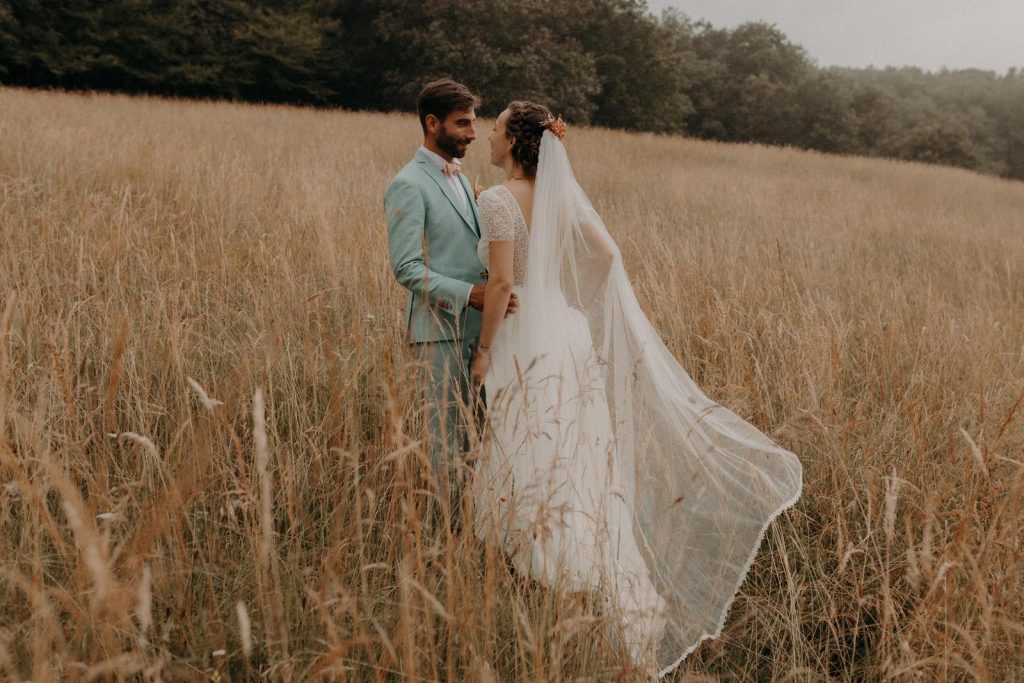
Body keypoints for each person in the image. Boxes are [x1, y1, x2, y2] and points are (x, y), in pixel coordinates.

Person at [469, 101, 804, 677]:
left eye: (495, 129)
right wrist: (570, 298)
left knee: (526, 454)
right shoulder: (561, 198)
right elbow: (606, 253)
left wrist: (481, 351)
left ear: (516, 142)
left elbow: (500, 283)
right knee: (573, 461)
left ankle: (549, 574)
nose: (487, 137)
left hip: (522, 337)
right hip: (565, 333)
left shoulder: (497, 201)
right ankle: (597, 586)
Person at [383, 79, 517, 517]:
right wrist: (470, 294)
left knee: (481, 441)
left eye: (475, 122)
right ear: (432, 123)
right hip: (439, 336)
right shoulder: (407, 184)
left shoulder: (463, 181)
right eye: (463, 123)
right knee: (444, 446)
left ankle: (476, 530)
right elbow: (406, 268)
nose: (473, 133)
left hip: (482, 334)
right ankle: (444, 539)